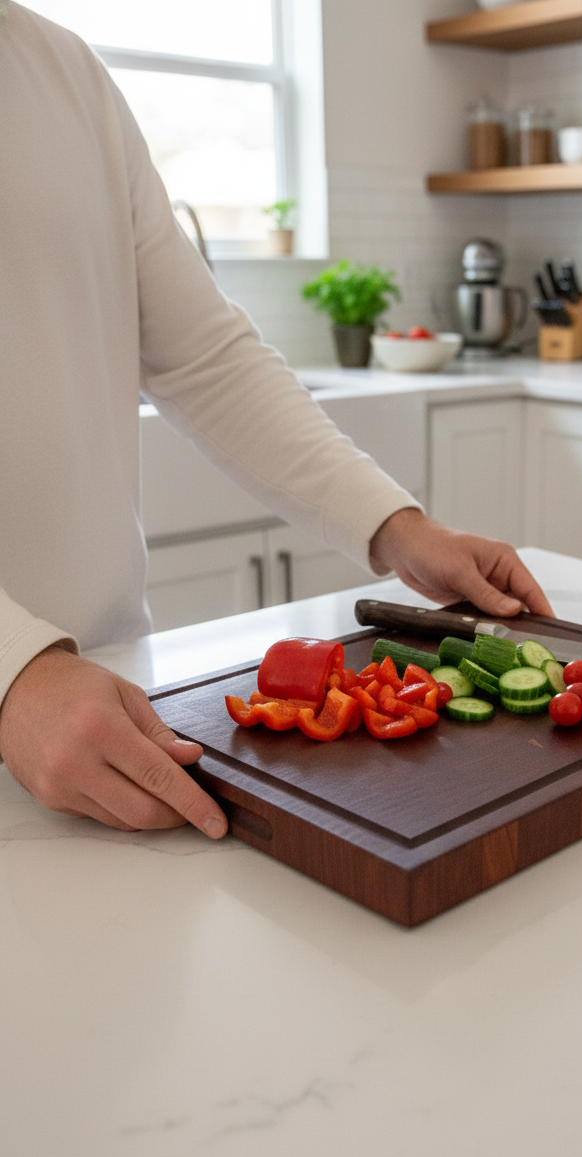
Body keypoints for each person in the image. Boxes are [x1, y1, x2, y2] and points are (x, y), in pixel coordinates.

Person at [0, 3, 552, 839]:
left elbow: (207, 358)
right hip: (40, 701)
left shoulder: (65, 70)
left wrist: (399, 526)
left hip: (109, 713)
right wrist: (12, 669)